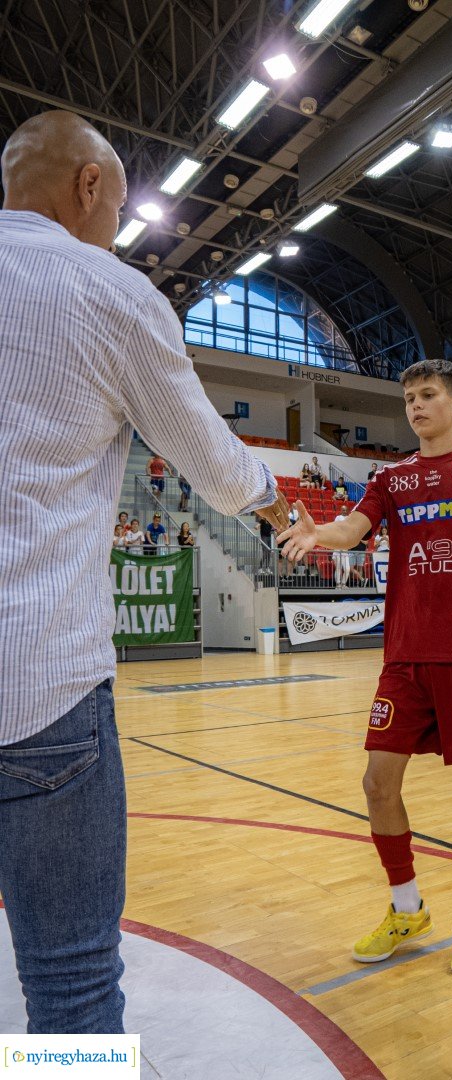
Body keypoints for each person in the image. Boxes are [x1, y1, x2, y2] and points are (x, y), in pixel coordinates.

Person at [0, 109, 289, 1036]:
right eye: (119, 206)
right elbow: (212, 464)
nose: (116, 224)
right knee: (73, 983)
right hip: (40, 686)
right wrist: (280, 506)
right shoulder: (104, 289)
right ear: (89, 187)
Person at [278, 358, 452, 976]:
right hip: (404, 654)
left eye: (428, 394)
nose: (415, 405)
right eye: (409, 397)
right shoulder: (393, 476)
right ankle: (406, 907)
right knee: (377, 784)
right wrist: (317, 532)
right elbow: (354, 529)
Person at [332, 504, 351, 587]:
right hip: (338, 547)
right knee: (338, 568)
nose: (344, 511)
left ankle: (343, 583)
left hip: (345, 549)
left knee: (347, 569)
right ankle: (338, 584)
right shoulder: (338, 518)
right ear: (340, 510)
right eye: (343, 510)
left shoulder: (349, 518)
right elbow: (336, 527)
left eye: (345, 510)